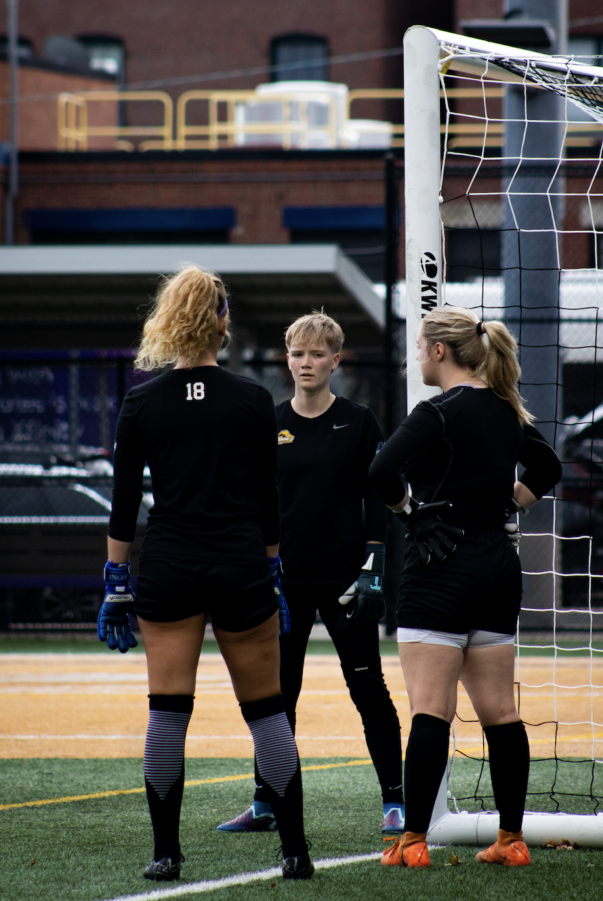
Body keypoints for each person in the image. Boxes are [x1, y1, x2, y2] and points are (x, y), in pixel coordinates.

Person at [96, 264, 314, 883]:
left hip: (167, 562)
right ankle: (294, 852)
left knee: (167, 712)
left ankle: (166, 854)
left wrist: (116, 579)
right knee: (267, 712)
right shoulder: (251, 400)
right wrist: (273, 568)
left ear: (170, 319)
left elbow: (121, 501)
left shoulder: (141, 400)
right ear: (222, 322)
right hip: (239, 559)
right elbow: (268, 498)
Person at [369, 306, 562, 870]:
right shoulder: (506, 411)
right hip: (498, 569)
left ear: (438, 352)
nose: (415, 356)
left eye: (418, 346)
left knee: (431, 710)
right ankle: (511, 839)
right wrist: (508, 505)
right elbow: (547, 466)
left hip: (440, 567)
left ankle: (412, 844)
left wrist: (412, 513)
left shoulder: (439, 411)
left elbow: (381, 470)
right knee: (501, 711)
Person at [216, 311, 404, 836]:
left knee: (369, 690)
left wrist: (373, 565)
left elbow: (377, 495)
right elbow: (253, 502)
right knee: (276, 696)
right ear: (287, 358)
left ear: (335, 360)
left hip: (347, 582)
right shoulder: (268, 422)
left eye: (317, 354)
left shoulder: (360, 420)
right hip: (284, 582)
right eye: (297, 353)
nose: (306, 363)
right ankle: (266, 802)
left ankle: (396, 802)